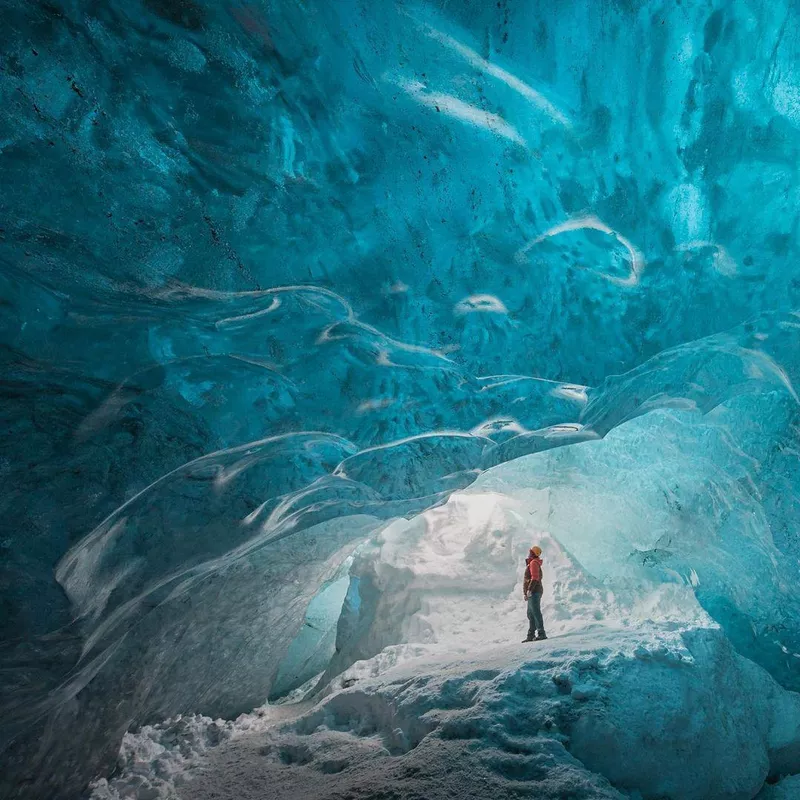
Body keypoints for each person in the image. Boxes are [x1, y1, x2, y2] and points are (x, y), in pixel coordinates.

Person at [522, 545, 547, 642]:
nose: (529, 554)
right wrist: (526, 592)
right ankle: (531, 635)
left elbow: (535, 577)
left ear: (533, 554)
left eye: (530, 552)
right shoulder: (533, 563)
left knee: (535, 612)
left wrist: (529, 590)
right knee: (530, 614)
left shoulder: (533, 563)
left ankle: (541, 633)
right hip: (533, 591)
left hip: (534, 591)